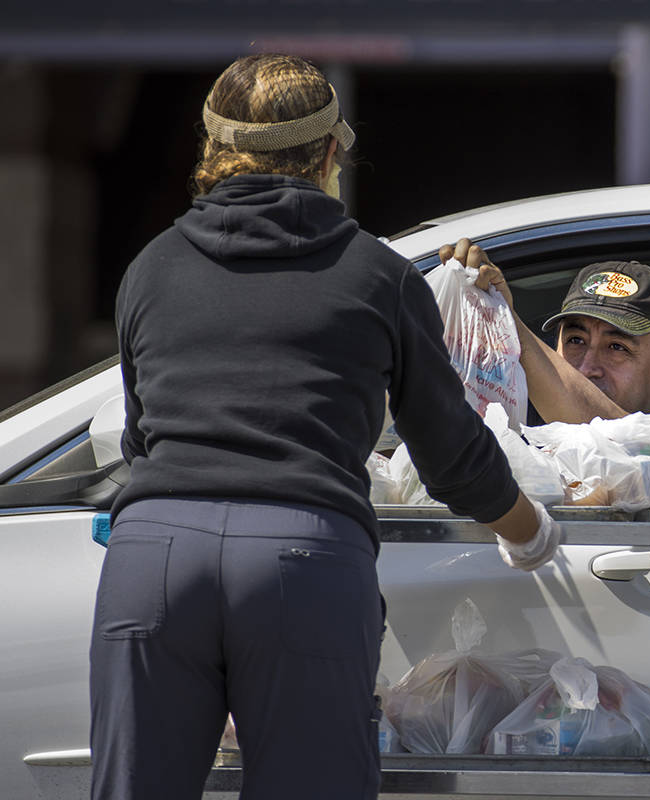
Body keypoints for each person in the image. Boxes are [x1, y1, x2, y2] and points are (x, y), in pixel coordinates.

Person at [90, 54, 558, 800]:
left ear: (212, 149)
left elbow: (140, 437)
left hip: (155, 561)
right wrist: (529, 528)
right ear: (330, 153)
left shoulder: (150, 268)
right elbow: (452, 456)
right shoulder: (377, 276)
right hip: (299, 561)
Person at [437, 238, 650, 425]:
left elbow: (620, 436)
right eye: (576, 340)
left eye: (617, 347)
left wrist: (508, 326)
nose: (587, 369)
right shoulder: (519, 422)